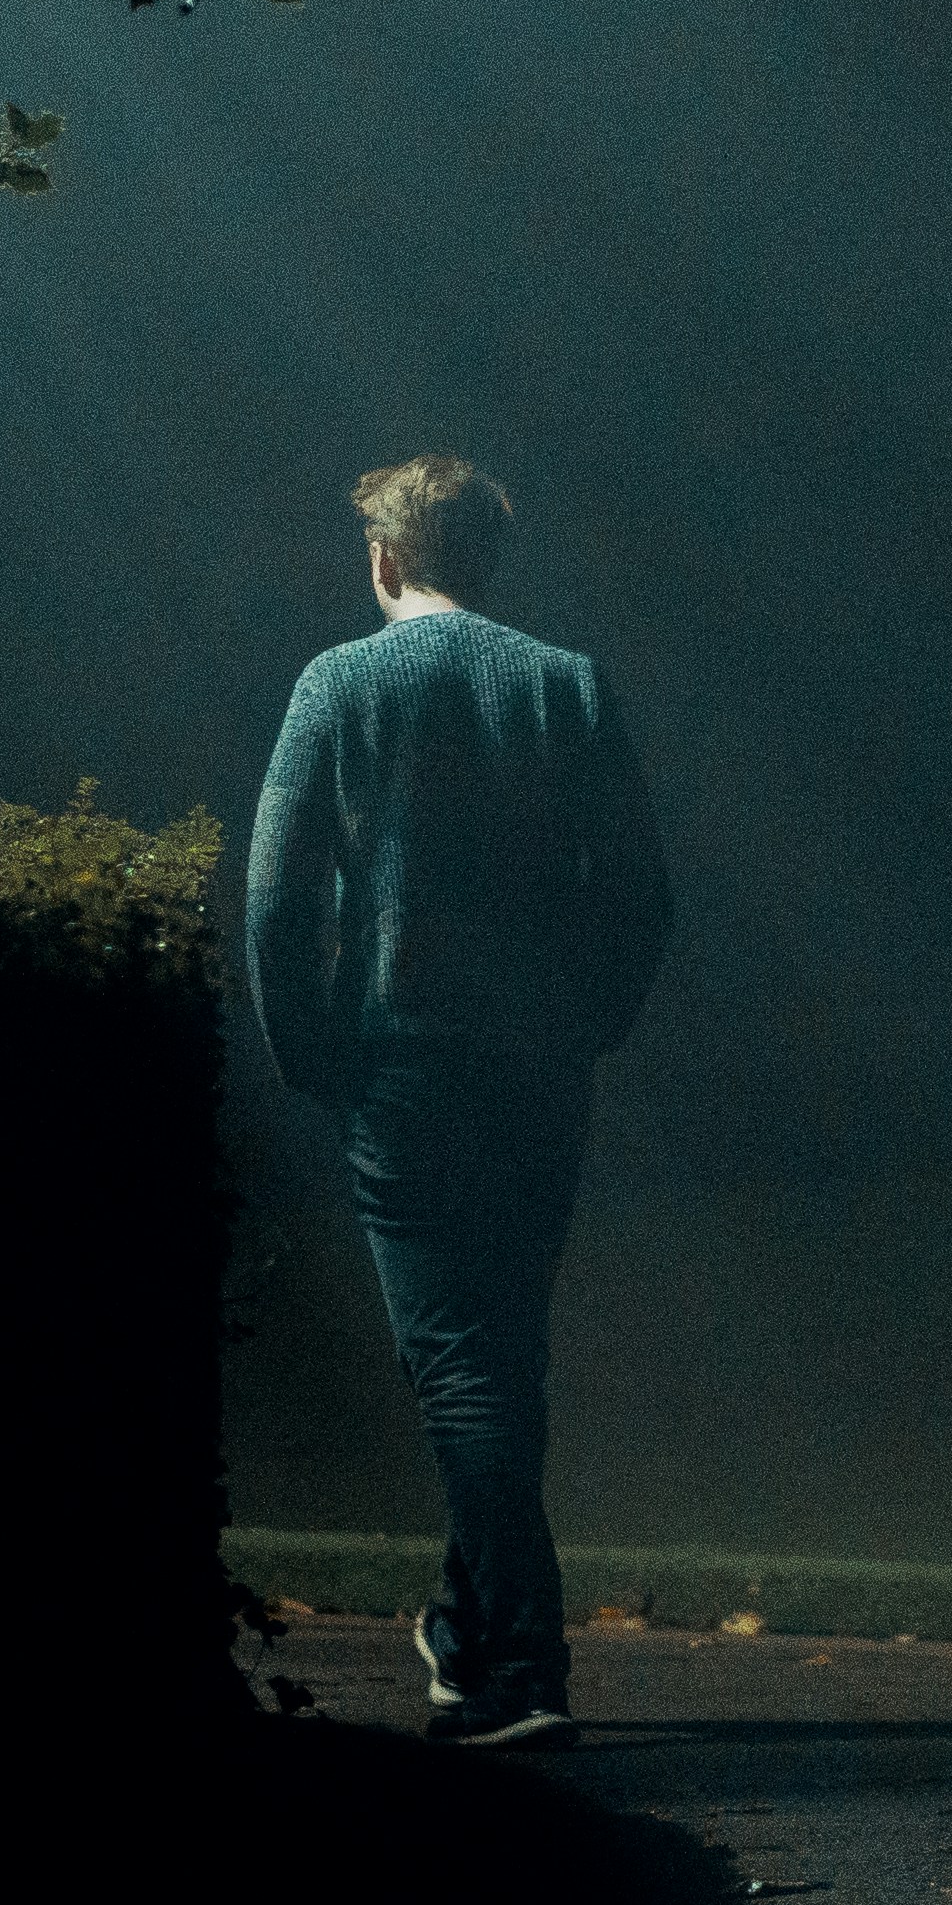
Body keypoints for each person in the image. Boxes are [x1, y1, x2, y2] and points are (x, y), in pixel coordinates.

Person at [243, 455, 675, 1745]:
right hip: (539, 1077)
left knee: (455, 1366)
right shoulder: (565, 684)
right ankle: (462, 1620)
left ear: (383, 560)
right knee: (504, 1354)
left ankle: (521, 1671)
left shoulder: (338, 684)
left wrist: (306, 1050)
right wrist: (589, 1021)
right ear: (487, 560)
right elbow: (643, 893)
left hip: (406, 1067)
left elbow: (277, 893)